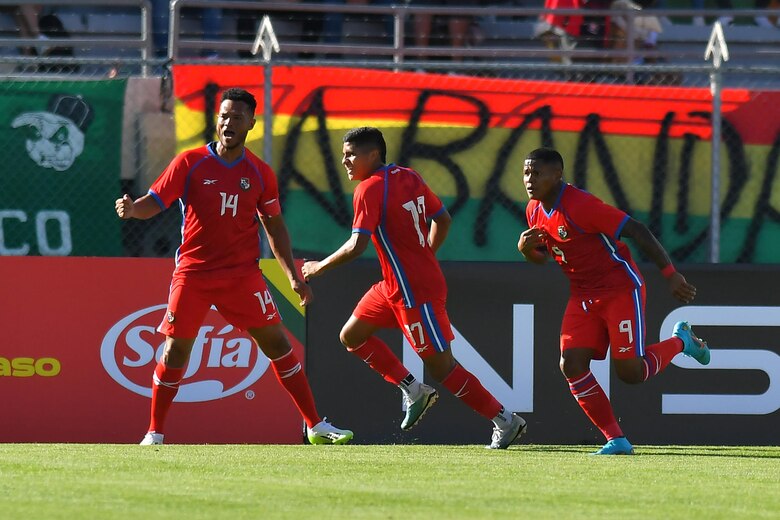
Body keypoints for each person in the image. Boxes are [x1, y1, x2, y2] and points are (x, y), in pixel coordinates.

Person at [115, 87, 353, 446]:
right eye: (224, 116)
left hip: (242, 276)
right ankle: (155, 433)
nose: (228, 122)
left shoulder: (259, 173)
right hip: (193, 274)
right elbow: (156, 200)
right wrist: (134, 209)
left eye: (236, 117)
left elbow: (274, 227)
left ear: (250, 124)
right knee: (175, 350)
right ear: (217, 120)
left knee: (278, 344)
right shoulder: (189, 162)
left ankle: (315, 426)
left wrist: (292, 276)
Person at [301, 127, 526, 449]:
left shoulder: (369, 189)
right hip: (393, 285)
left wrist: (317, 267)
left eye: (351, 154)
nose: (344, 161)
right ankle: (412, 388)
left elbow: (356, 245)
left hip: (414, 292)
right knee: (351, 336)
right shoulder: (409, 176)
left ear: (373, 155)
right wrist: (424, 255)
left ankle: (505, 420)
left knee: (442, 367)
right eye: (344, 154)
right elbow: (443, 219)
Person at [517, 147, 711, 455]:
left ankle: (681, 342)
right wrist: (526, 250)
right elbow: (544, 258)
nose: (529, 179)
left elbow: (637, 229)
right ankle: (616, 439)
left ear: (557, 175)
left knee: (630, 373)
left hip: (619, 289)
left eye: (537, 173)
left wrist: (670, 273)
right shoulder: (534, 209)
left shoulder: (581, 205)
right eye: (527, 172)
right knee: (571, 364)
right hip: (582, 295)